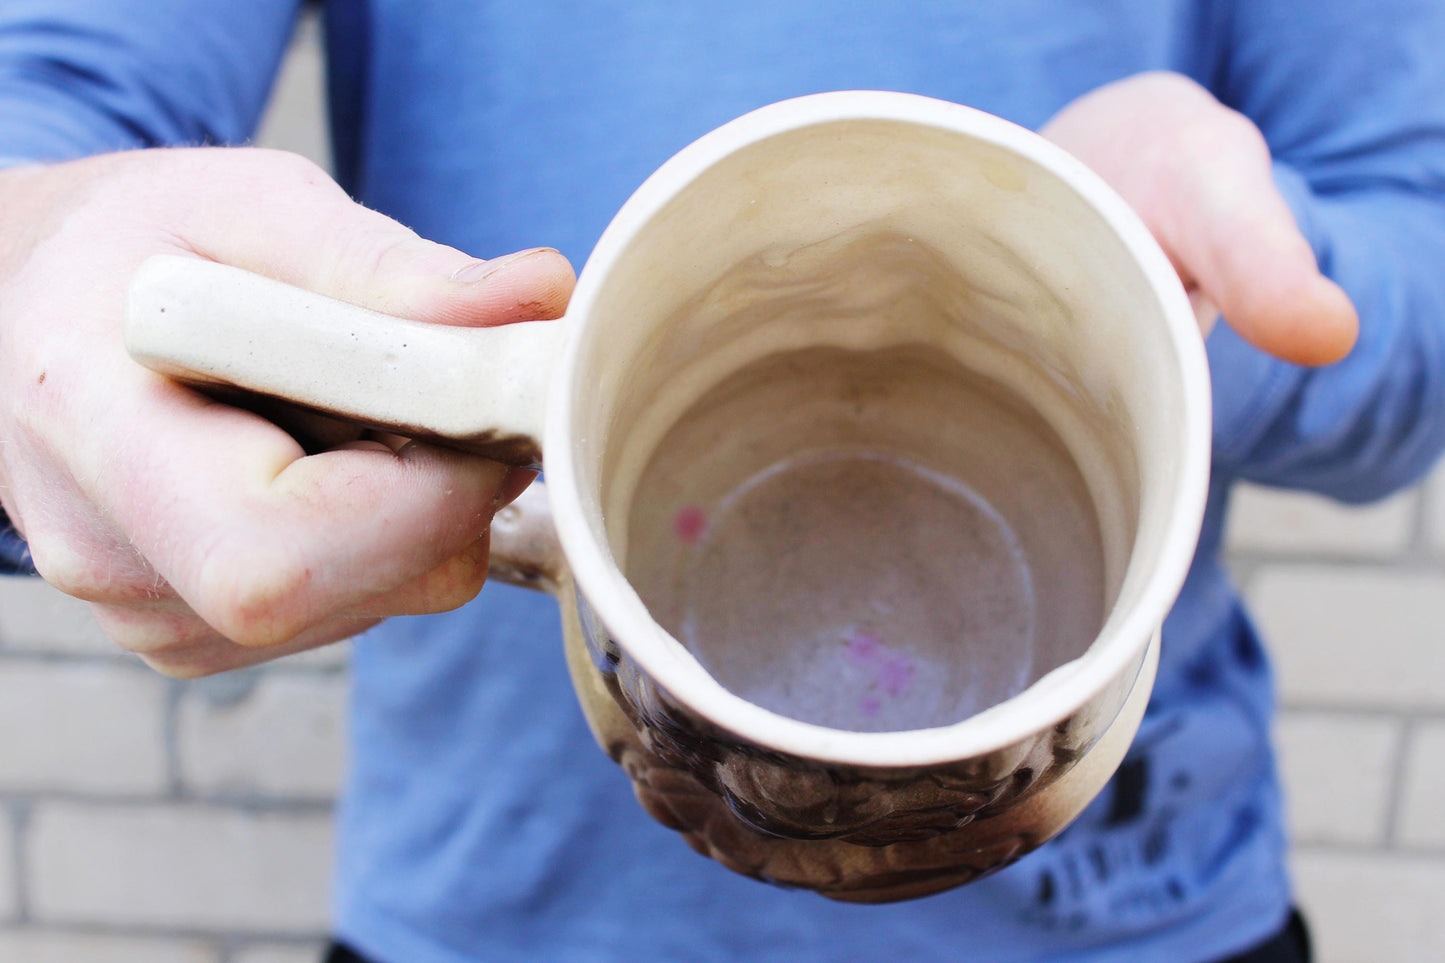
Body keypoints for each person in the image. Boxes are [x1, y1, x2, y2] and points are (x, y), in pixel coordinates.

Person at [1, 1, 1442, 961]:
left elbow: (1414, 263)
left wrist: (1145, 307)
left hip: (1121, 920)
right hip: (502, 915)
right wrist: (36, 261)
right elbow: (57, 103)